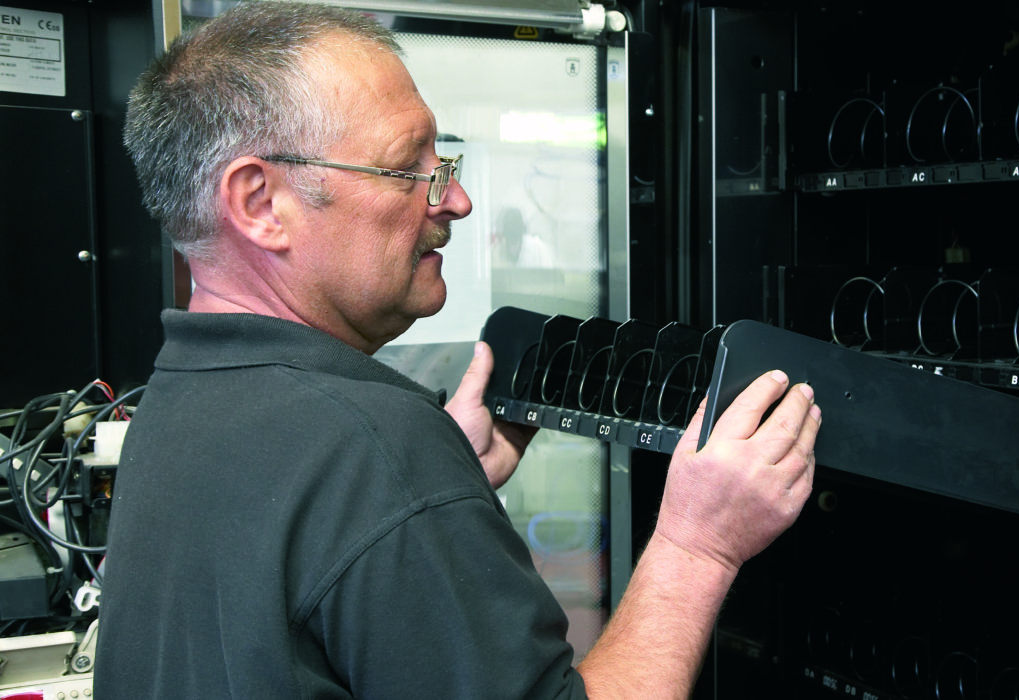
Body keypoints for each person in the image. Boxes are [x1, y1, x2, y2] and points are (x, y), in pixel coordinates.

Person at [94, 2, 821, 698]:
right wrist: (698, 548)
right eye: (412, 171)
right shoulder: (369, 449)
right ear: (260, 203)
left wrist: (427, 504)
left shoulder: (178, 402)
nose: (456, 200)